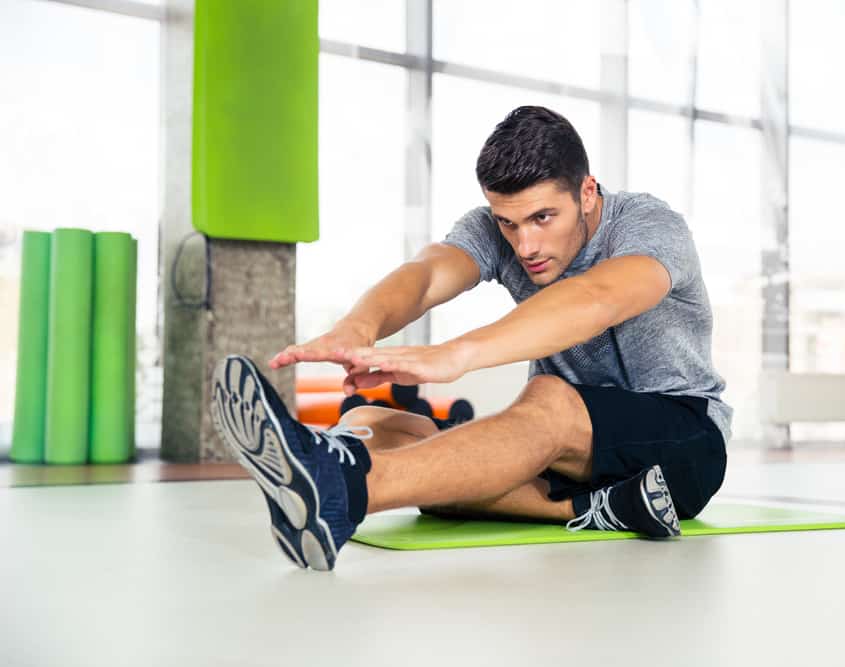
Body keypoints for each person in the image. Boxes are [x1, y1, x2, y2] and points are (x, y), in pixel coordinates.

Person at [210, 106, 732, 571]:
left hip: (681, 442)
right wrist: (358, 327)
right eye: (508, 223)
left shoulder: (649, 225)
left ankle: (342, 489)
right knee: (368, 422)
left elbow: (596, 299)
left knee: (545, 400)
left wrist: (456, 355)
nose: (526, 244)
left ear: (587, 192)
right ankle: (599, 509)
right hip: (573, 462)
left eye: (542, 218)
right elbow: (428, 274)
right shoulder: (495, 229)